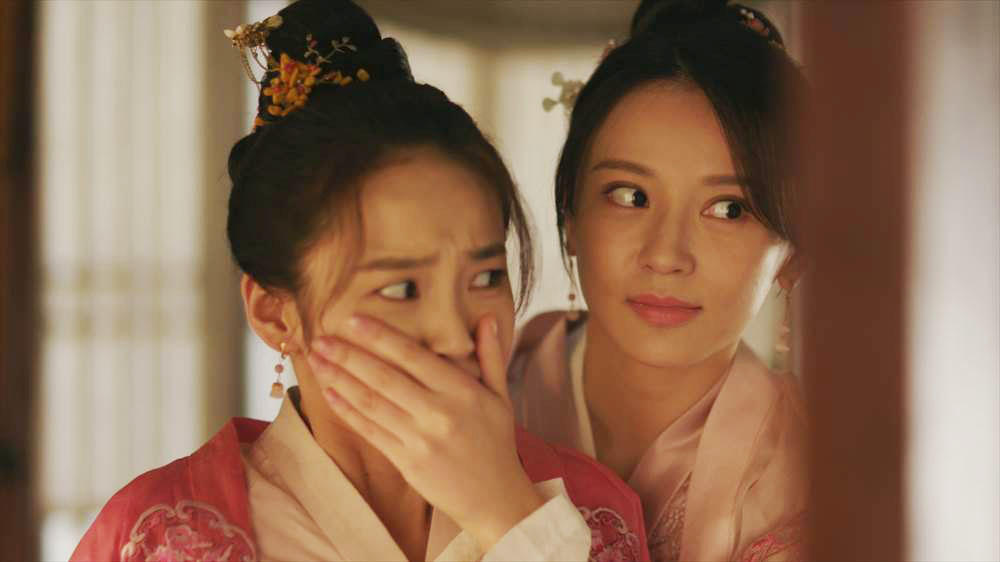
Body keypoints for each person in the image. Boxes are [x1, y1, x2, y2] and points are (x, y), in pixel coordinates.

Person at [70, 1, 648, 560]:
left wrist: (507, 518)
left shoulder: (594, 512)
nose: (454, 335)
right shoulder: (158, 536)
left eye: (487, 276)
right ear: (275, 313)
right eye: (401, 289)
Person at [509, 1, 809, 560]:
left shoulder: (819, 480)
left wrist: (498, 508)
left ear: (791, 253)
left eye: (729, 209)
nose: (666, 256)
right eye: (630, 195)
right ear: (571, 215)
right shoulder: (482, 398)